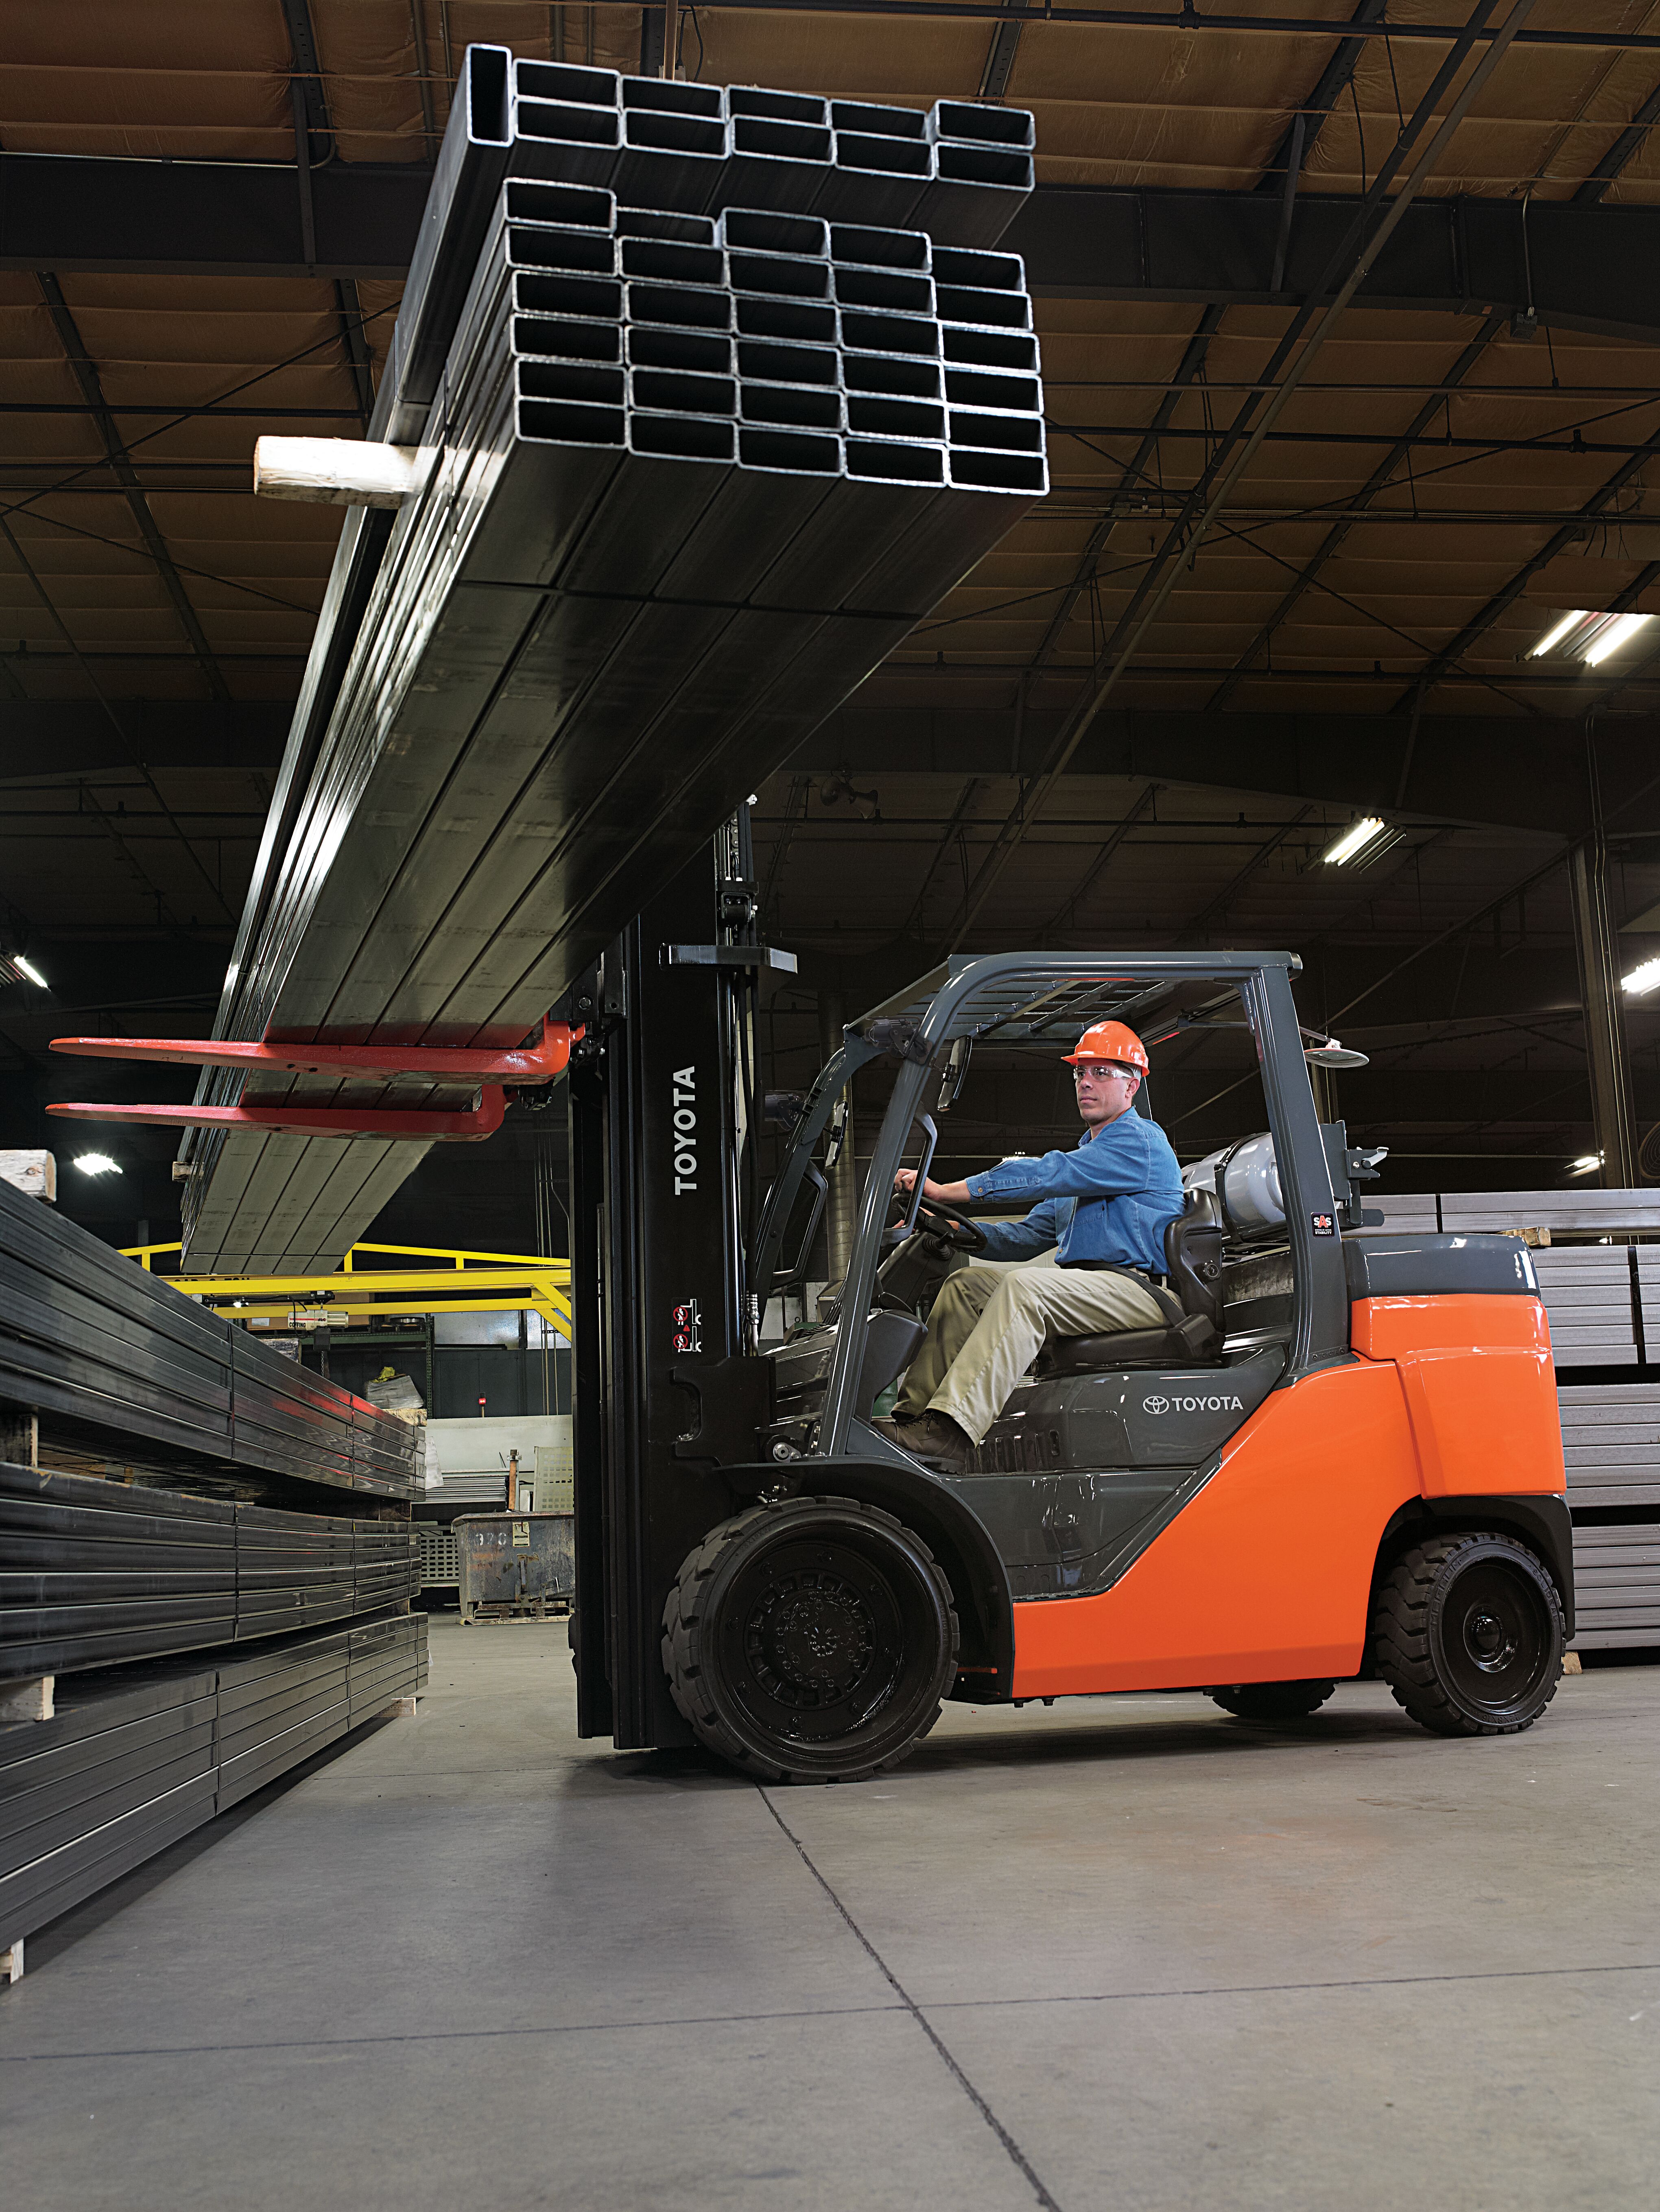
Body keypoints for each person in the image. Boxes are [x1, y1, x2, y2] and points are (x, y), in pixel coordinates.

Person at [882, 1021, 1185, 1472]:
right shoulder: (1085, 1165)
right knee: (967, 1286)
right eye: (1081, 1073)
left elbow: (1046, 1172)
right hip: (1089, 1291)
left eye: (1101, 1073)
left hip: (1141, 1292)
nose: (1086, 1082)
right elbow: (1023, 1238)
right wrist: (942, 1224)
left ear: (1133, 1083)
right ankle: (914, 1419)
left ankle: (953, 1431)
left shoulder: (1139, 1143)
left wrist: (947, 1191)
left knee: (1026, 1291)